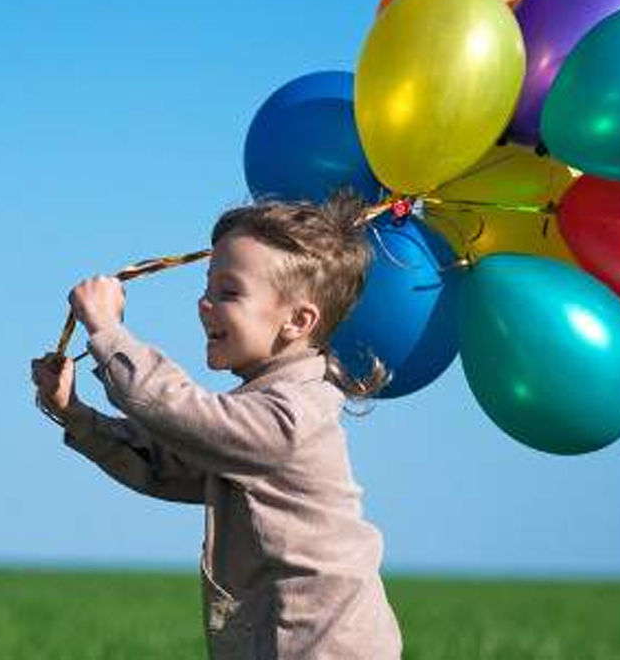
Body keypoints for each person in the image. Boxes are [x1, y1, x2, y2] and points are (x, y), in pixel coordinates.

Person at [30, 191, 402, 659]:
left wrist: (108, 332)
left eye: (228, 292)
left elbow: (178, 411)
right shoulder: (259, 411)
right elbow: (166, 465)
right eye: (207, 289)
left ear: (298, 320)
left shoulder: (292, 417)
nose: (204, 304)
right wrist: (76, 415)